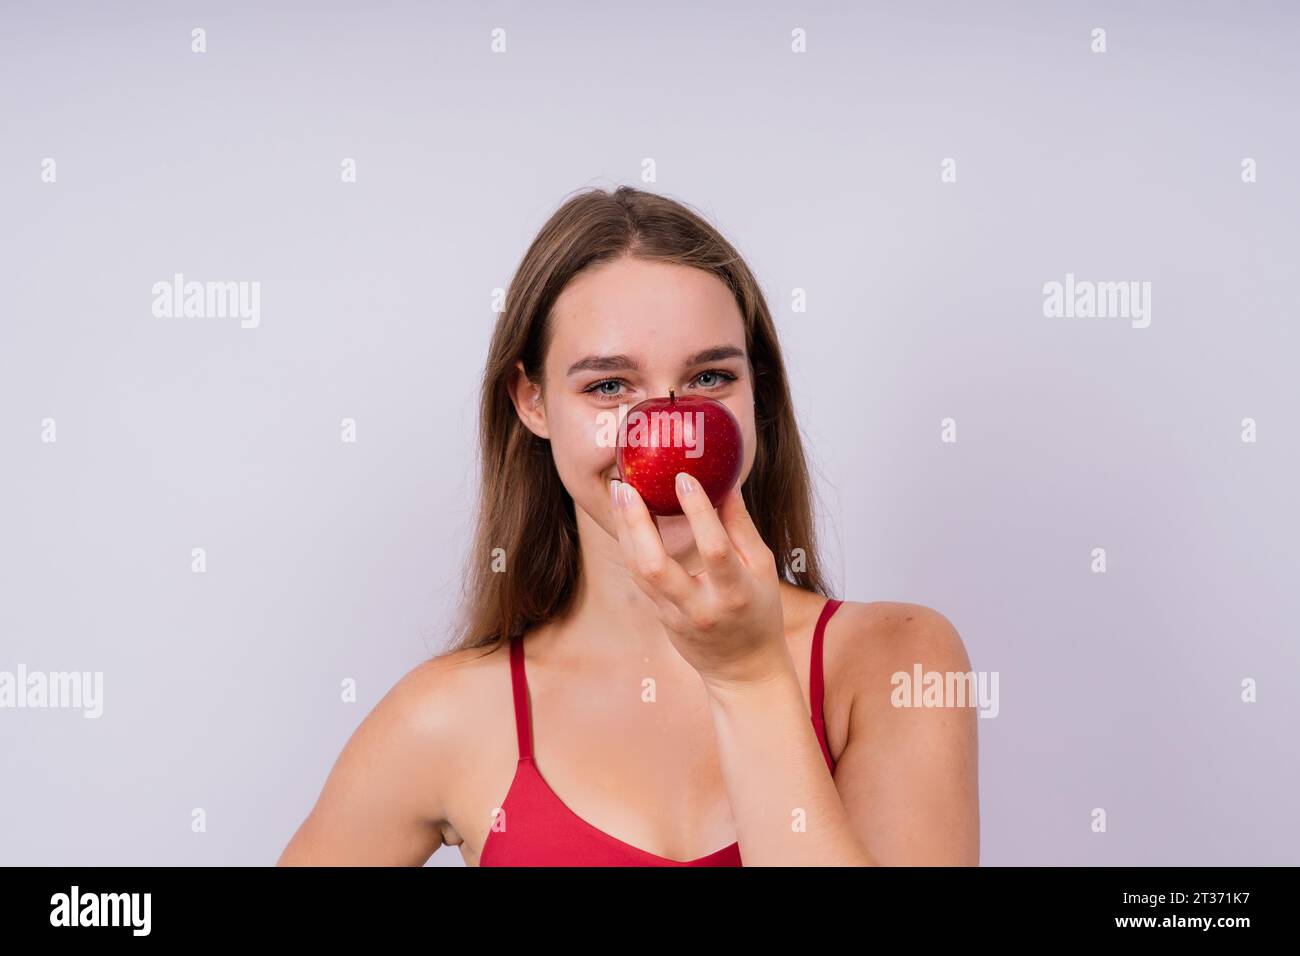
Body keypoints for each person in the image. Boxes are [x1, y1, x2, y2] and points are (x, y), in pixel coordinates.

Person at [278, 185, 979, 866]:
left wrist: (750, 678)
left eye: (709, 378)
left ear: (756, 393)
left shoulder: (897, 663)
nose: (669, 428)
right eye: (608, 387)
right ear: (533, 403)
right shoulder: (446, 715)